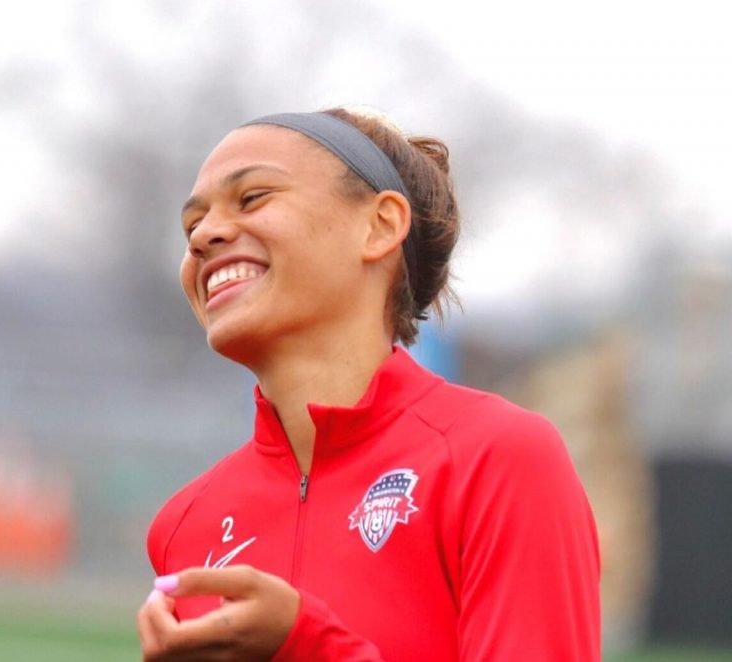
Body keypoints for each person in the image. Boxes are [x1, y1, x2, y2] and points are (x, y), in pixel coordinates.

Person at [136, 108, 601, 661]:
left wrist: (304, 646)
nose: (204, 236)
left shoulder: (497, 459)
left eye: (253, 198)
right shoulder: (183, 524)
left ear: (379, 225)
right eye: (192, 226)